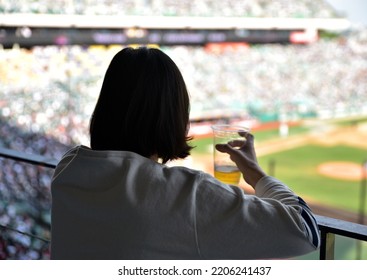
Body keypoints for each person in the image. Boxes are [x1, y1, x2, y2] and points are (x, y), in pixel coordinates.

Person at [50, 47, 320, 260]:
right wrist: (256, 174)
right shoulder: (184, 193)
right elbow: (305, 231)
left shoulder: (69, 167)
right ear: (173, 117)